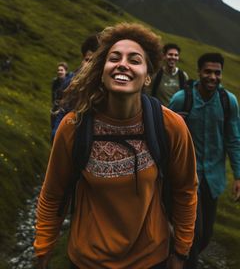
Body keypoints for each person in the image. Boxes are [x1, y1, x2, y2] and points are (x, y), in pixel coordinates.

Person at [34, 22, 198, 269]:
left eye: (134, 60)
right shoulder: (74, 127)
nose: (123, 64)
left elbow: (185, 191)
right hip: (87, 261)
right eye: (114, 58)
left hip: (150, 260)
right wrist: (43, 249)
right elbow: (53, 193)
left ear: (147, 76)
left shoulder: (169, 126)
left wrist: (181, 252)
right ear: (102, 70)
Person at [169, 52, 240, 268]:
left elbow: (233, 139)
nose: (212, 77)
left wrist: (238, 175)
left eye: (217, 72)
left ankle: (179, 259)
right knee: (194, 233)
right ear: (199, 72)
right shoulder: (182, 99)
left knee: (206, 234)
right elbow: (166, 136)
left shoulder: (229, 102)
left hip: (213, 180)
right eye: (207, 71)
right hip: (186, 179)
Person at [50, 33, 99, 140]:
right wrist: (57, 137)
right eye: (88, 60)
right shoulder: (71, 84)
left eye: (96, 62)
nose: (90, 65)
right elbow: (61, 111)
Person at [51, 62, 73, 130]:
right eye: (58, 70)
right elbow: (53, 96)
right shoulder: (55, 82)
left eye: (61, 70)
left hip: (65, 110)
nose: (59, 72)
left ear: (66, 71)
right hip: (56, 110)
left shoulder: (70, 82)